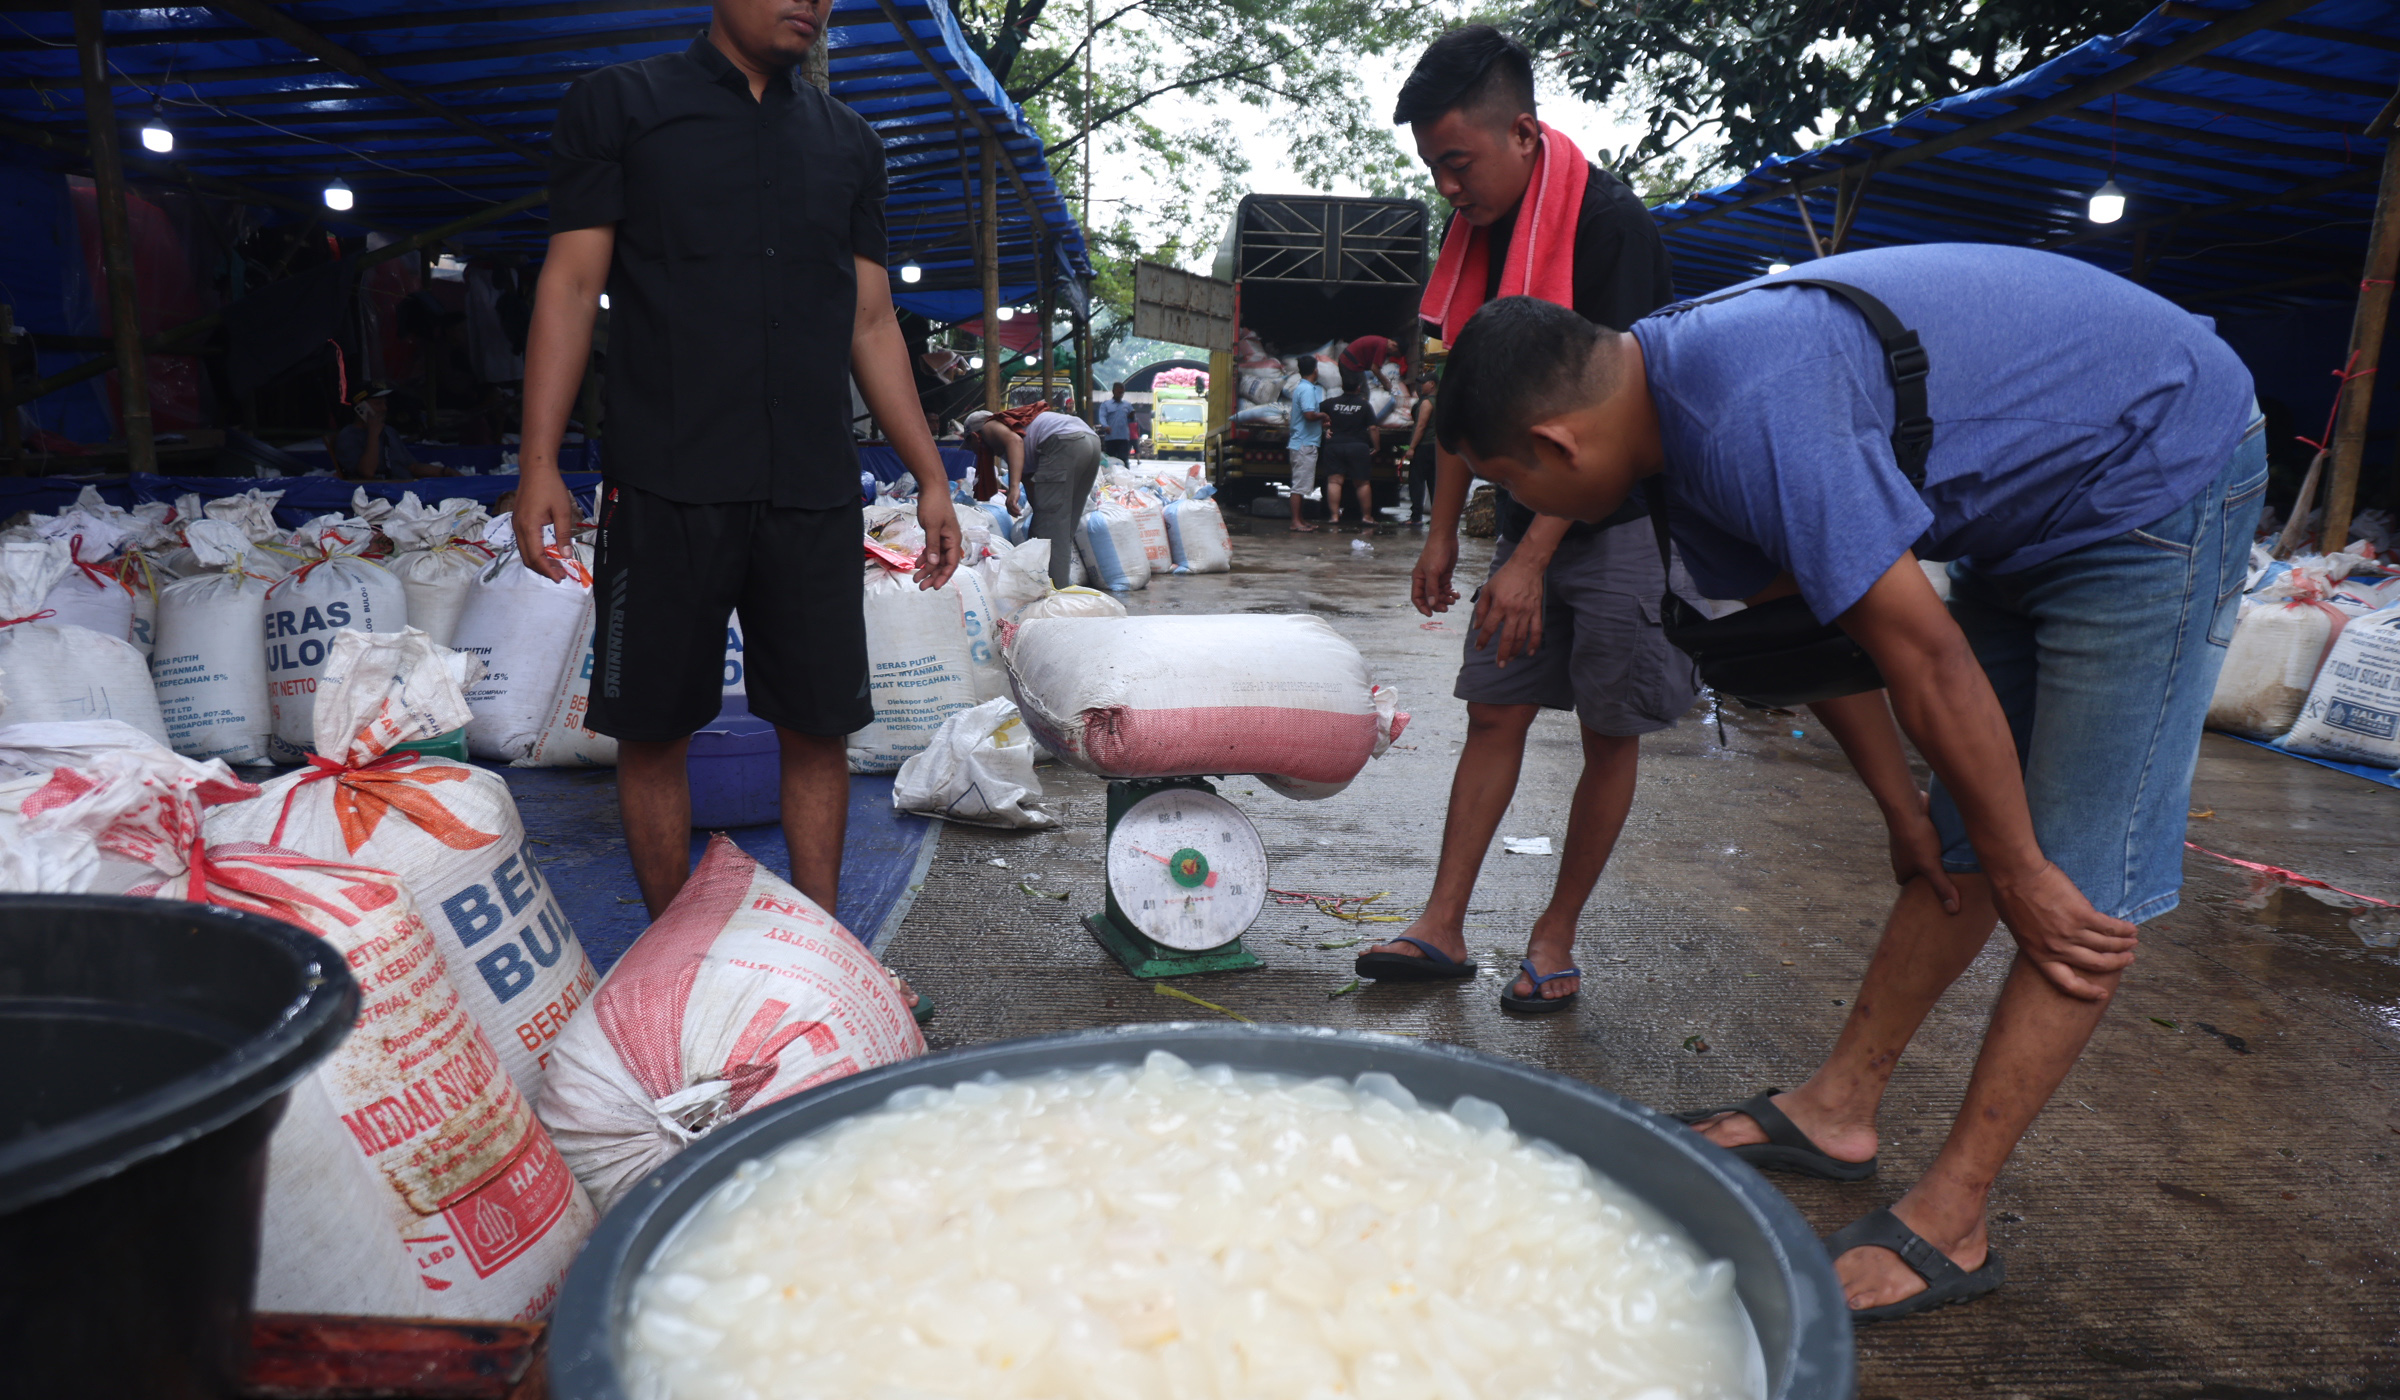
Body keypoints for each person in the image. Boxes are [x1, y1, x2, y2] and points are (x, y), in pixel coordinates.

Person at [1431, 242, 2262, 1322]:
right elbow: (1841, 639)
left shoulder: (1747, 413)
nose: (1521, 506)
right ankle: (1836, 1109)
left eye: (1510, 484)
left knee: (2070, 885)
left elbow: (1927, 660)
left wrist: (2023, 867)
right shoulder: (1673, 423)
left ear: (1553, 440)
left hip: (2151, 473)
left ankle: (1952, 1221)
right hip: (2023, 508)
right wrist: (1907, 813)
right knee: (1967, 832)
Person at [515, 0, 963, 1019]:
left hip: (808, 483)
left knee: (817, 724)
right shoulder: (622, 106)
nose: (811, 1)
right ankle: (681, 975)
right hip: (665, 476)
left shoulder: (846, 143)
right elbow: (573, 280)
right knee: (655, 725)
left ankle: (829, 962)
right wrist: (539, 460)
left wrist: (928, 473)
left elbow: (871, 316)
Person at [1356, 25, 1696, 1013]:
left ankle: (1555, 934)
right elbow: (1473, 398)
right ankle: (1443, 921)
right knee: (1494, 706)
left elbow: (1604, 430)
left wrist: (1532, 557)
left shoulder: (1610, 227)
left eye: (1457, 164)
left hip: (1622, 519)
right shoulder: (1481, 236)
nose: (1448, 189)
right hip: (1526, 520)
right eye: (1434, 169)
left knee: (1607, 727)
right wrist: (1442, 532)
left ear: (1523, 134)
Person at [964, 402, 1100, 588]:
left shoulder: (989, 426)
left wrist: (1013, 490)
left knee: (1046, 533)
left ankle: (1051, 594)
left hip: (1063, 443)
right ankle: (1059, 589)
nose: (975, 452)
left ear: (974, 436)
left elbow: (1015, 441)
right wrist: (1038, 510)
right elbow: (1030, 480)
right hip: (1090, 441)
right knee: (1063, 527)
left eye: (971, 446)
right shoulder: (1020, 431)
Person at [331, 383, 454, 481]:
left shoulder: (389, 432)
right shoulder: (348, 436)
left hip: (407, 487)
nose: (384, 408)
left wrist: (445, 472)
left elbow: (412, 466)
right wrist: (373, 434)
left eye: (385, 403)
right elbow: (367, 473)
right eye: (378, 404)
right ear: (361, 407)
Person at [1319, 369, 1381, 532]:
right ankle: (1367, 517)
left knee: (1334, 481)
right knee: (1362, 483)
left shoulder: (1330, 403)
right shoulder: (1364, 405)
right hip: (1358, 447)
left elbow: (1315, 415)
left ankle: (1334, 516)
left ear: (1342, 386)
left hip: (1335, 446)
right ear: (1359, 387)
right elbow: (1373, 428)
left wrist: (1324, 427)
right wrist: (1377, 446)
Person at [1284, 354, 1328, 533]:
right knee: (1299, 486)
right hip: (1304, 443)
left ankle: (1300, 519)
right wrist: (1324, 415)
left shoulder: (1301, 387)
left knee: (1301, 485)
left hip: (1302, 441)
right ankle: (1295, 521)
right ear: (1315, 370)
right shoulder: (1308, 390)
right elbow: (1309, 414)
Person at [1403, 372, 1438, 525]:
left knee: (1417, 481)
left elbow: (1421, 425)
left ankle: (1416, 517)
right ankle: (1437, 518)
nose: (1421, 386)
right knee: (1434, 482)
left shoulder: (1427, 402)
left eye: (1424, 383)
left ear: (1432, 384)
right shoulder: (1442, 401)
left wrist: (1412, 448)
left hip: (1424, 446)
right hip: (1437, 447)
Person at [1095, 382, 1135, 462]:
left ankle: (1124, 474)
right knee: (1111, 460)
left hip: (1123, 438)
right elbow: (1102, 417)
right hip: (1111, 438)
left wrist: (1132, 416)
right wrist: (1105, 426)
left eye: (1122, 393)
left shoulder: (1127, 405)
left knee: (1123, 459)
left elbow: (1131, 420)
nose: (1120, 395)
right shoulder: (1106, 405)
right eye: (1119, 392)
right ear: (1113, 391)